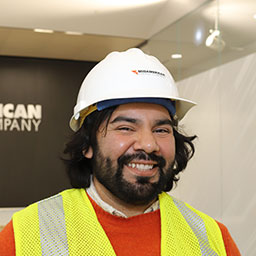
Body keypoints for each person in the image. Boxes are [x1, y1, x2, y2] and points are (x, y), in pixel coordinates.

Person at [0, 48, 240, 255]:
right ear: (87, 144)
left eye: (162, 129)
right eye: (125, 128)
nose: (148, 144)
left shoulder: (214, 238)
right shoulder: (26, 234)